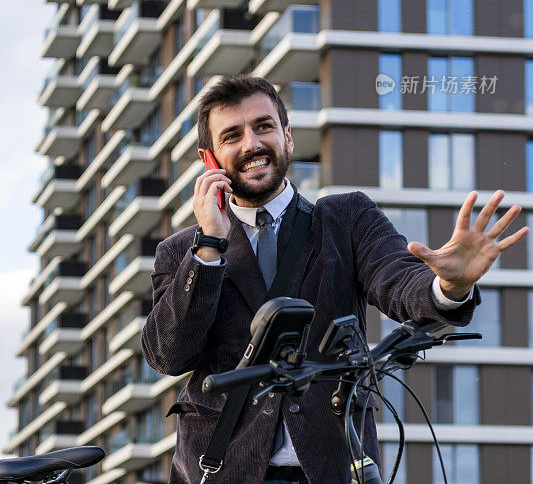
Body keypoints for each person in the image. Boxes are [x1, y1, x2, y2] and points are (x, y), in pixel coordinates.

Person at [141, 75, 526, 484]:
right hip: (222, 470)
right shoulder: (181, 251)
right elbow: (168, 355)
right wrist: (208, 248)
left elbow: (398, 281)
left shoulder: (346, 219)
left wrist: (449, 287)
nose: (251, 144)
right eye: (232, 135)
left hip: (334, 466)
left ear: (287, 137)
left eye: (264, 127)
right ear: (210, 158)